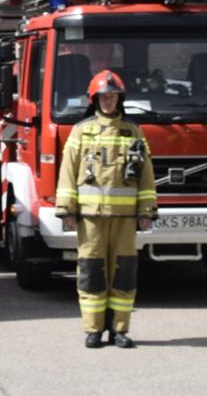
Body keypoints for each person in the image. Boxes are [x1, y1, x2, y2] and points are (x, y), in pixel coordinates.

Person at [54, 70, 156, 349]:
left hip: (125, 219)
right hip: (91, 218)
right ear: (94, 99)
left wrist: (146, 211)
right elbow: (68, 172)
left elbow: (146, 176)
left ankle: (120, 330)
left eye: (113, 96)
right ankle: (93, 330)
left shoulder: (134, 132)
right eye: (104, 96)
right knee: (91, 272)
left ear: (120, 99)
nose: (108, 101)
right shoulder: (81, 131)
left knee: (124, 272)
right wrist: (67, 209)